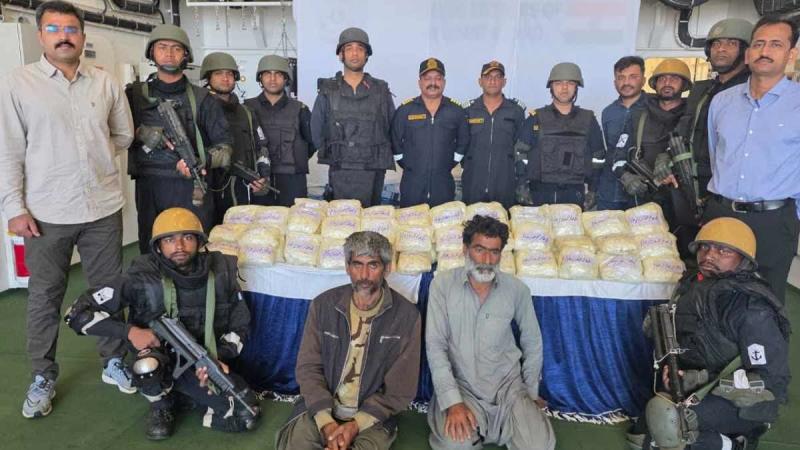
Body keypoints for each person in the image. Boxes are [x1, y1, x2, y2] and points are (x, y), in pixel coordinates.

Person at [0, 0, 136, 419]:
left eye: (71, 29)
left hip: (102, 208)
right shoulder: (18, 84)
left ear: (82, 35)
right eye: (54, 29)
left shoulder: (104, 82)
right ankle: (42, 375)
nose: (64, 37)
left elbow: (124, 135)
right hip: (46, 213)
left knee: (108, 291)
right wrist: (14, 208)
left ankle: (114, 360)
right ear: (40, 35)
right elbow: (8, 152)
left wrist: (94, 158)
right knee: (45, 296)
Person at [64, 207, 260, 440]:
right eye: (169, 240)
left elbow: (240, 324)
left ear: (199, 242)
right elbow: (76, 314)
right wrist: (130, 331)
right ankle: (161, 406)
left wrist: (219, 358)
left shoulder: (221, 272)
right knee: (147, 366)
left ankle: (183, 395)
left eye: (187, 237)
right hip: (158, 357)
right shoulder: (141, 277)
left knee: (246, 415)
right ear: (158, 246)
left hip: (203, 360)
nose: (179, 246)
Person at [629, 218, 790, 450]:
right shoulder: (690, 285)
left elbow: (772, 379)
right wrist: (673, 371)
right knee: (641, 438)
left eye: (723, 251)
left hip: (740, 401)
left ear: (743, 259)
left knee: (670, 425)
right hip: (694, 387)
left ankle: (737, 444)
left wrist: (701, 379)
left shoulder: (751, 309)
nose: (709, 255)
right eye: (705, 247)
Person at [276, 231, 421, 450]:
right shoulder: (323, 305)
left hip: (371, 416)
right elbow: (308, 368)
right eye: (357, 265)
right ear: (347, 267)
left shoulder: (407, 317)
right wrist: (326, 423)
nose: (364, 275)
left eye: (373, 265)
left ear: (387, 268)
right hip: (321, 408)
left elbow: (399, 389)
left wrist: (355, 425)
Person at [426, 215, 555, 450]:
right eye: (479, 250)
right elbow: (435, 346)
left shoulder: (516, 289)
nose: (486, 260)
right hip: (463, 388)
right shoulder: (442, 285)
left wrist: (530, 393)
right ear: (465, 249)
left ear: (501, 254)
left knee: (538, 445)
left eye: (494, 252)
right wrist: (453, 402)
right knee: (456, 445)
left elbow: (533, 341)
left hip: (509, 390)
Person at [703, 15, 799, 304]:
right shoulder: (722, 102)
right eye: (758, 44)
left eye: (775, 44)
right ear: (748, 53)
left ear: (791, 53)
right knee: (710, 298)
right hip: (721, 213)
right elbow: (716, 155)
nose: (764, 51)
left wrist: (790, 219)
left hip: (772, 221)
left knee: (765, 304)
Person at [127, 24, 232, 253]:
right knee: (152, 249)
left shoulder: (203, 99)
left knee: (195, 250)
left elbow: (225, 150)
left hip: (191, 186)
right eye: (162, 47)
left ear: (185, 55)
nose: (169, 53)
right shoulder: (134, 95)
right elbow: (115, 131)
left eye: (176, 48)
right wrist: (142, 133)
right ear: (152, 52)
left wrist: (201, 161)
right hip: (150, 186)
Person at [613, 58, 694, 255]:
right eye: (662, 78)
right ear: (654, 84)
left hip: (682, 199)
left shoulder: (693, 117)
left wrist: (671, 159)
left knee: (680, 254)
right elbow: (618, 153)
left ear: (684, 84)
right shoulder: (638, 115)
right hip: (644, 197)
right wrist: (625, 176)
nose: (667, 83)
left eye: (674, 78)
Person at [311, 27, 395, 207]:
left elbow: (392, 127)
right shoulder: (328, 90)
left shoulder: (380, 90)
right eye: (349, 48)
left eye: (360, 48)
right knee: (341, 219)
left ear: (367, 55)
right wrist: (333, 153)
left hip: (373, 171)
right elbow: (316, 129)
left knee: (372, 220)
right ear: (341, 55)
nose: (354, 53)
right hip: (340, 169)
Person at [676, 19, 753, 200]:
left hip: (729, 188)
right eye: (716, 44)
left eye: (731, 43)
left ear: (746, 52)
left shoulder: (753, 91)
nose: (721, 49)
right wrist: (667, 156)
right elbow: (684, 128)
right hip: (692, 179)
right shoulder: (702, 90)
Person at [515, 62, 604, 210]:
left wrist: (594, 190)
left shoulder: (588, 120)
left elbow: (599, 157)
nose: (564, 88)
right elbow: (520, 153)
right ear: (551, 87)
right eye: (558, 83)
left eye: (570, 83)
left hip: (575, 194)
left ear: (577, 87)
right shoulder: (535, 118)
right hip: (539, 193)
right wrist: (521, 185)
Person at [199, 52, 271, 222]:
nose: (225, 78)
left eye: (229, 74)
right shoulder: (199, 110)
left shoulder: (246, 112)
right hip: (208, 188)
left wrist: (263, 176)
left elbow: (261, 147)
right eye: (218, 73)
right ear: (208, 78)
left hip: (242, 189)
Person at [392, 58, 469, 207]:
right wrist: (408, 165)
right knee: (410, 220)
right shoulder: (405, 110)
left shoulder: (456, 111)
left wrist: (449, 163)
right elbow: (395, 141)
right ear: (419, 82)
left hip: (443, 184)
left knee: (443, 220)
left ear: (444, 82)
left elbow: (463, 141)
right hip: (412, 184)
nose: (433, 83)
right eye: (427, 78)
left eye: (438, 78)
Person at [245, 54, 314, 207]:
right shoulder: (247, 109)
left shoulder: (300, 109)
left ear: (286, 78)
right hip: (258, 180)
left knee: (296, 219)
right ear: (260, 78)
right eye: (267, 74)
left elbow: (312, 143)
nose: (273, 79)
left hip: (292, 181)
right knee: (260, 220)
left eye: (278, 74)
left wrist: (295, 157)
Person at [461, 61, 526, 209]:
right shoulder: (468, 111)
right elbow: (461, 144)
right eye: (488, 77)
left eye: (497, 77)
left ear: (504, 82)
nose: (493, 81)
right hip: (473, 181)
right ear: (480, 81)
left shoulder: (515, 111)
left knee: (503, 221)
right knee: (472, 221)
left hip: (505, 182)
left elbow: (521, 147)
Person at [596, 56, 648, 211]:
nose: (626, 82)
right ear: (615, 83)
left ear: (643, 80)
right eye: (621, 78)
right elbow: (610, 151)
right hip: (610, 192)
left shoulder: (654, 108)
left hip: (643, 191)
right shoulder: (608, 112)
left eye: (633, 77)